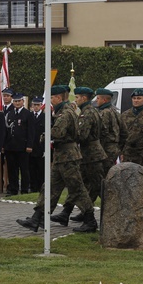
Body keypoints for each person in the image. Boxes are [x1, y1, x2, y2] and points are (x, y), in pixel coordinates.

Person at [17, 85, 97, 233]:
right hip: (62, 156)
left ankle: (90, 220)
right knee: (49, 187)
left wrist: (44, 136)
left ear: (59, 98)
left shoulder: (65, 114)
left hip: (68, 157)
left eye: (52, 97)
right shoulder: (64, 112)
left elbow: (58, 133)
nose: (50, 100)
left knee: (77, 189)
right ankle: (37, 217)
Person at [51, 87, 107, 226]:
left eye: (77, 97)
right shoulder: (90, 111)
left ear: (84, 98)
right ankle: (67, 212)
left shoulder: (87, 113)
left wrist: (68, 136)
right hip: (89, 154)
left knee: (96, 187)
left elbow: (82, 135)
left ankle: (110, 214)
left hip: (91, 155)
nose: (75, 100)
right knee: (76, 184)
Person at [4, 93, 33, 196]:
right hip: (10, 146)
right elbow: (6, 130)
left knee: (24, 169)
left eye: (18, 101)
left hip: (23, 147)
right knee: (12, 169)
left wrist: (29, 145)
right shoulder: (9, 114)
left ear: (23, 102)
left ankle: (25, 189)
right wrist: (4, 145)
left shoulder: (28, 114)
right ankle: (13, 189)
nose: (17, 103)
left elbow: (30, 131)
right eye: (15, 101)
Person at [119, 88, 143, 170]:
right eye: (134, 98)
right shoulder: (124, 115)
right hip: (127, 154)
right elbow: (120, 135)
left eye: (139, 98)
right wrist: (120, 153)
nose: (136, 100)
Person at [27, 96, 46, 193]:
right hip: (31, 146)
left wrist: (45, 149)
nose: (36, 107)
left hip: (41, 146)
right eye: (34, 105)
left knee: (41, 169)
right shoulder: (29, 116)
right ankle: (33, 186)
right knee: (31, 168)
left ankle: (41, 187)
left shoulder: (45, 117)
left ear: (41, 105)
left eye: (38, 105)